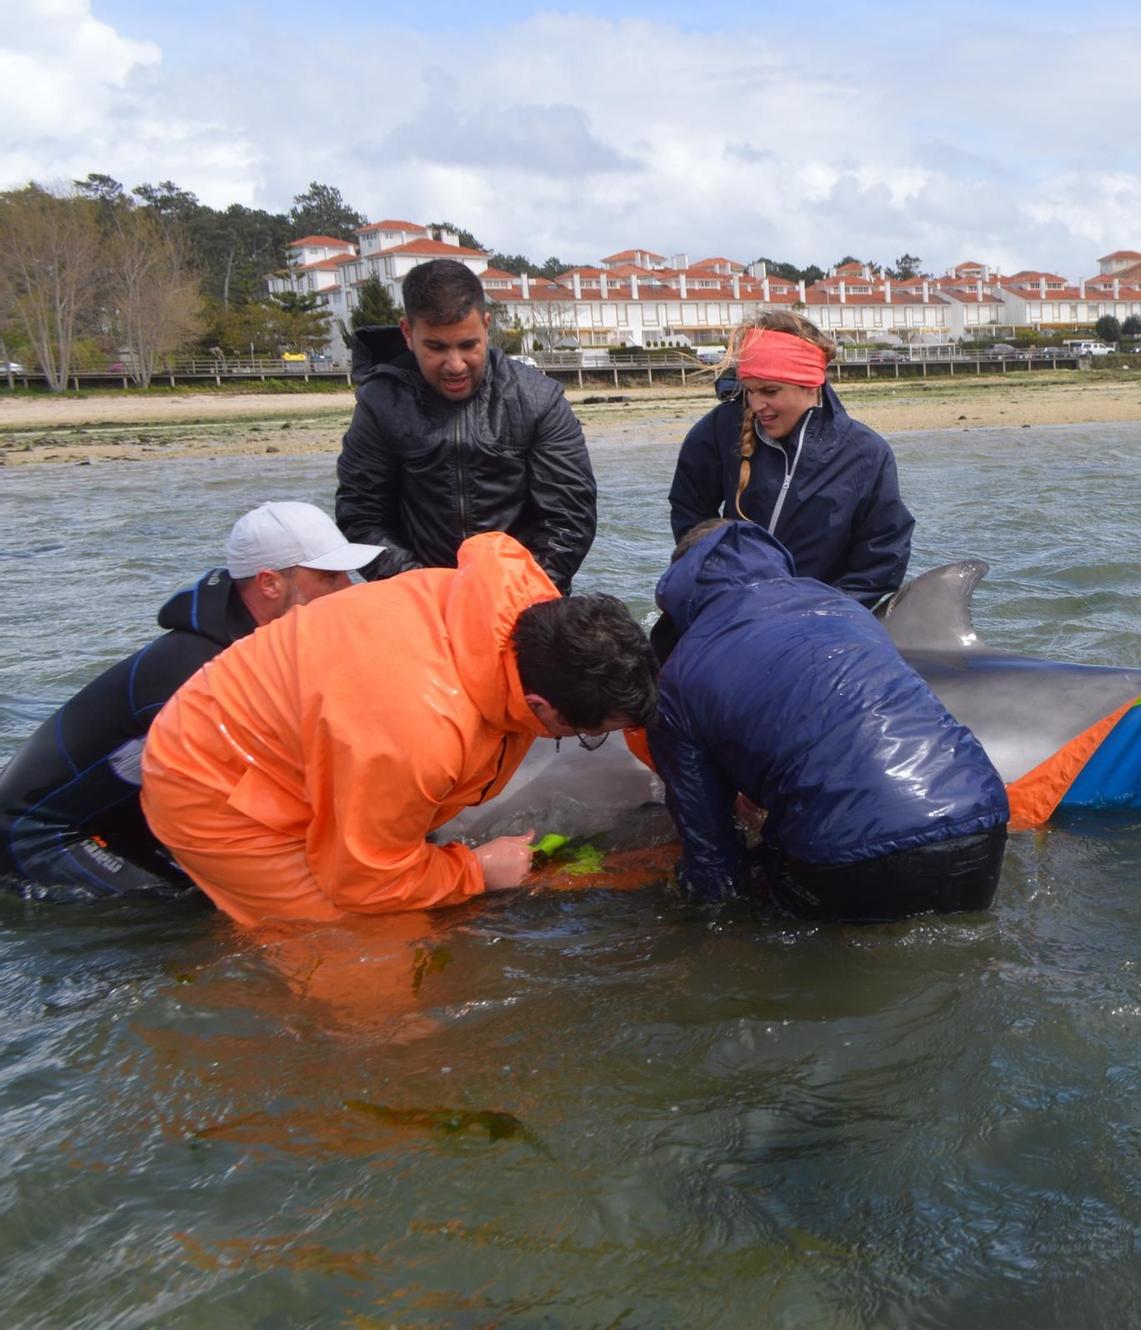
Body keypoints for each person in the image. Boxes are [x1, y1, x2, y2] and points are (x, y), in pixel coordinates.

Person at [140, 532, 657, 927]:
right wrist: (477, 873)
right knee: (358, 948)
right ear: (541, 705)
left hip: (321, 731)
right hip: (215, 779)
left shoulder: (523, 610)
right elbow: (363, 882)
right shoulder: (417, 732)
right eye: (587, 733)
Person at [0, 502, 378, 899]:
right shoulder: (197, 672)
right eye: (331, 576)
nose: (349, 589)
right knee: (201, 917)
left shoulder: (252, 648)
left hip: (121, 820)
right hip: (36, 833)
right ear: (270, 584)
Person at [647, 519, 1008, 921]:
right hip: (980, 826)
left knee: (744, 907)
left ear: (680, 585)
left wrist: (702, 908)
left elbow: (712, 856)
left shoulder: (680, 672)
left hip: (854, 859)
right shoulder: (842, 607)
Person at [335, 258, 597, 593]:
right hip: (420, 601)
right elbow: (362, 517)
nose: (455, 364)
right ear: (407, 333)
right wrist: (430, 593)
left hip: (523, 599)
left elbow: (570, 518)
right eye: (437, 347)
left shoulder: (538, 398)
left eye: (468, 345)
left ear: (486, 326)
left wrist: (516, 595)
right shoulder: (379, 402)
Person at [667, 312, 914, 608]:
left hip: (817, 622)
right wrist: (716, 579)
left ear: (810, 384)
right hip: (728, 607)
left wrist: (819, 610)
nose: (757, 405)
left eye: (770, 391)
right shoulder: (721, 427)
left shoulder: (867, 453)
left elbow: (882, 557)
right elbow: (688, 509)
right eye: (750, 390)